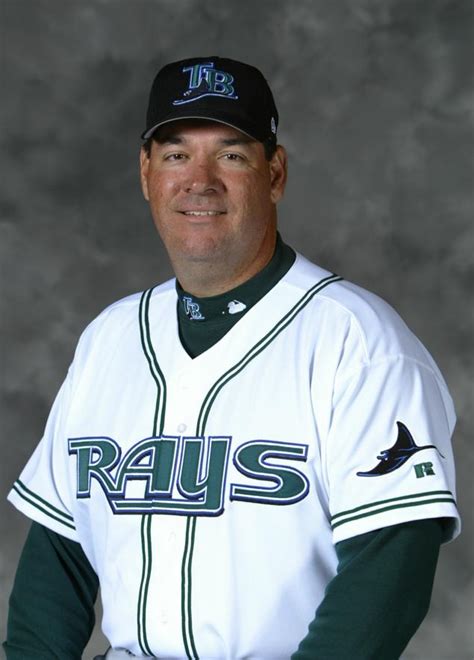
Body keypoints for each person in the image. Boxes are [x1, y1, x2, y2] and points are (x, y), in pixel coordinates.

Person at [5, 56, 460, 660]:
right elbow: (58, 555)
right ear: (146, 173)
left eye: (231, 155)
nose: (200, 180)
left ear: (275, 173)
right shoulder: (109, 339)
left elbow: (390, 567)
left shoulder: (359, 341)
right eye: (176, 154)